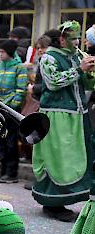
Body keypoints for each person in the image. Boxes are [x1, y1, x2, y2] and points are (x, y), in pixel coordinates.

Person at [32, 21, 95, 221]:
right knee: (58, 158)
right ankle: (52, 203)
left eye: (78, 37)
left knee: (76, 157)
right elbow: (53, 83)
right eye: (73, 38)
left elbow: (84, 82)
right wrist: (79, 69)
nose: (77, 42)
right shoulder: (49, 57)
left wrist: (89, 73)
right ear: (61, 39)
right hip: (56, 116)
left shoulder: (75, 55)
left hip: (77, 114)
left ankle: (71, 197)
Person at [0, 39, 27, 184]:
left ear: (10, 52)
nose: (0, 55)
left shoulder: (19, 67)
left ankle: (12, 173)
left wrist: (12, 106)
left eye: (2, 52)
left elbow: (21, 90)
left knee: (11, 141)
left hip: (11, 110)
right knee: (1, 140)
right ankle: (2, 170)